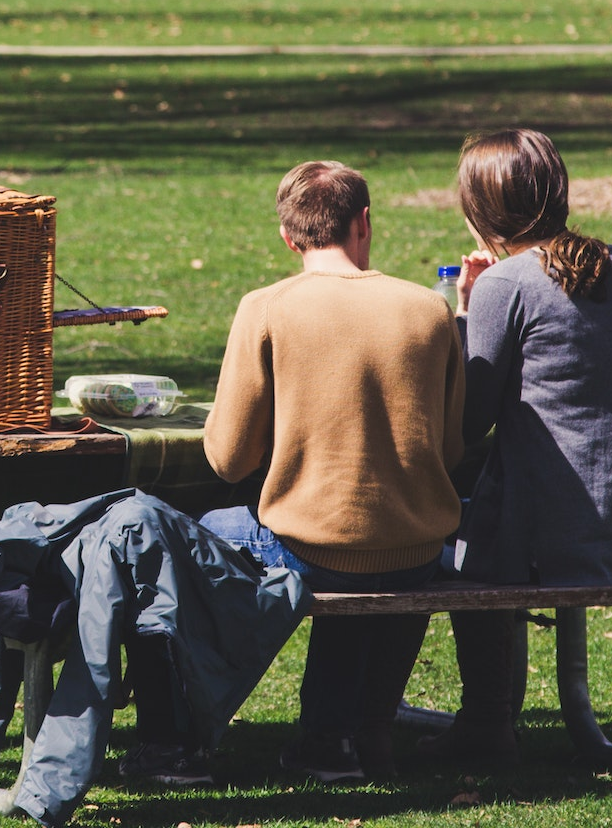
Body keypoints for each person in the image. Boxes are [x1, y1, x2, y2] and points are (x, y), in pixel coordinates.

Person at [191, 159, 465, 784]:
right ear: (364, 223)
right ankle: (329, 738)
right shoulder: (430, 310)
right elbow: (448, 451)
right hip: (417, 548)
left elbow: (227, 458)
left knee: (198, 531)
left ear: (288, 238)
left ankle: (174, 735)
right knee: (350, 538)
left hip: (311, 547)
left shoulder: (266, 308)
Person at [422, 128, 612, 762]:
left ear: (481, 210)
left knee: (435, 546)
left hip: (551, 539)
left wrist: (466, 312)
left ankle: (483, 720)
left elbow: (466, 425)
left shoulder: (508, 284)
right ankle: (492, 718)